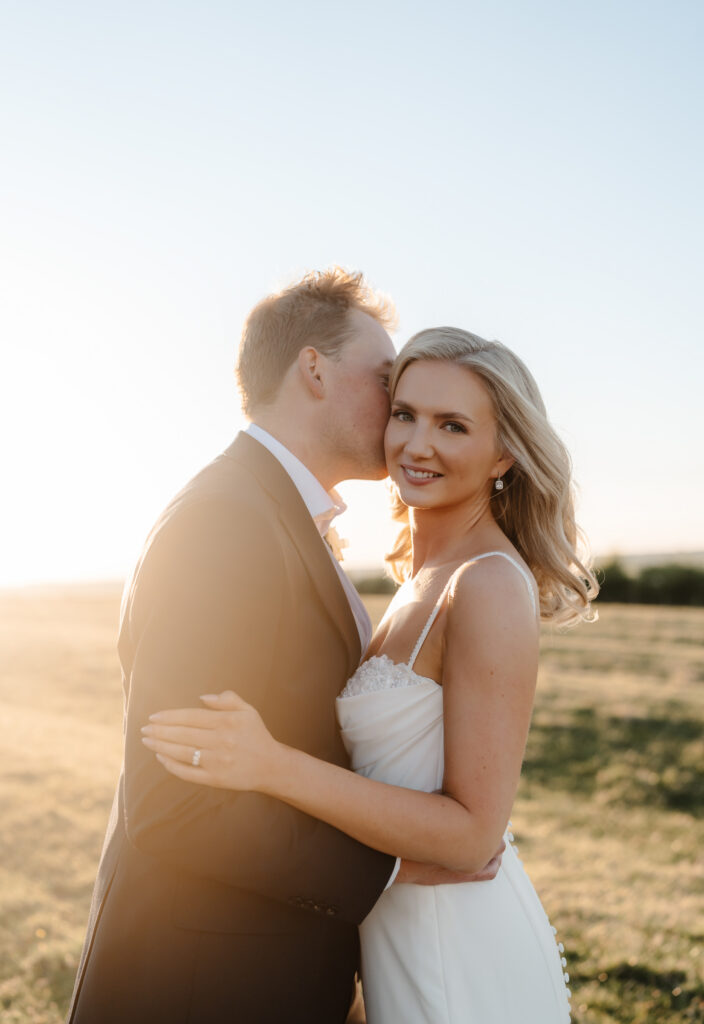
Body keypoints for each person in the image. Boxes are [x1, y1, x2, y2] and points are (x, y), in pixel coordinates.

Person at [67, 274, 500, 1024]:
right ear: (314, 370)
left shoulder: (275, 513)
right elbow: (173, 807)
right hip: (199, 984)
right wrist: (390, 870)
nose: (402, 415)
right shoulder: (226, 521)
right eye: (387, 382)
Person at [142, 326, 599, 1023]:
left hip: (457, 945)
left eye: (453, 425)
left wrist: (271, 765)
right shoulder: (418, 579)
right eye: (406, 413)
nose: (417, 444)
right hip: (390, 930)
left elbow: (475, 833)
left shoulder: (488, 584)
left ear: (504, 452)